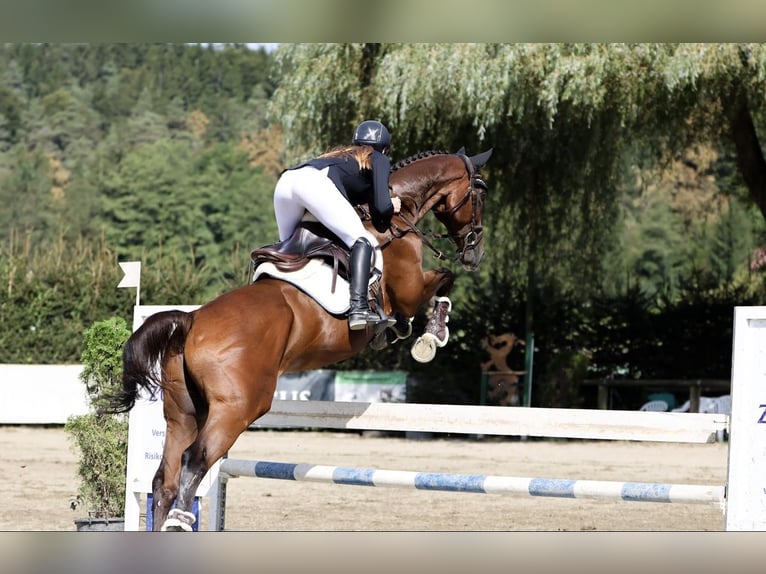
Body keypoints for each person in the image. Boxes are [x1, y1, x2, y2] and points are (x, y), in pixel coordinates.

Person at [273, 120, 402, 330]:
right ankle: (359, 308)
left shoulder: (340, 155)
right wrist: (391, 206)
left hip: (287, 181)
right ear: (385, 148)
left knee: (286, 247)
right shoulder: (378, 158)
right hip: (313, 185)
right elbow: (380, 207)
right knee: (362, 240)